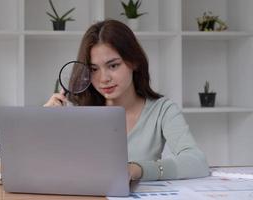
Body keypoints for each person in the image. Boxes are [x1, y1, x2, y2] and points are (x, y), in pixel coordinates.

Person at [44, 19, 209, 181]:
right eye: (94, 69)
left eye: (113, 65)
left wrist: (138, 169)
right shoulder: (77, 113)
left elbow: (197, 163)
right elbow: (51, 168)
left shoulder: (162, 110)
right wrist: (45, 127)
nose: (103, 79)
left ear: (134, 61)